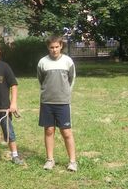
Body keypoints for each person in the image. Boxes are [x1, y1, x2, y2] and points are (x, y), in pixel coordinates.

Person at [37, 35, 77, 172]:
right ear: (48, 47)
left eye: (56, 47)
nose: (54, 50)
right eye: (51, 47)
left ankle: (72, 161)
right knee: (49, 130)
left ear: (61, 46)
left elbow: (71, 79)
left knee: (66, 132)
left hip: (63, 102)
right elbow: (41, 79)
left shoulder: (68, 61)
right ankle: (50, 160)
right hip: (47, 102)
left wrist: (65, 93)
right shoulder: (42, 62)